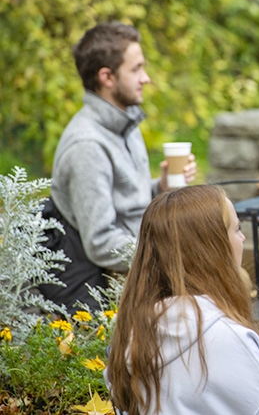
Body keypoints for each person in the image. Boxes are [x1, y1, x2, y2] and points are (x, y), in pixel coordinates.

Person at [105, 185, 259, 414]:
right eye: (236, 229)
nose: (243, 238)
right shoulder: (224, 339)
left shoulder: (132, 333)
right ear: (211, 247)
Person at [44, 22, 197, 312]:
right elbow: (101, 242)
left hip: (146, 259)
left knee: (251, 265)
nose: (146, 78)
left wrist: (160, 187)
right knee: (239, 277)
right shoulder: (87, 146)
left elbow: (126, 203)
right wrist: (170, 253)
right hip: (126, 278)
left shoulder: (125, 123)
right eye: (136, 69)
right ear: (107, 77)